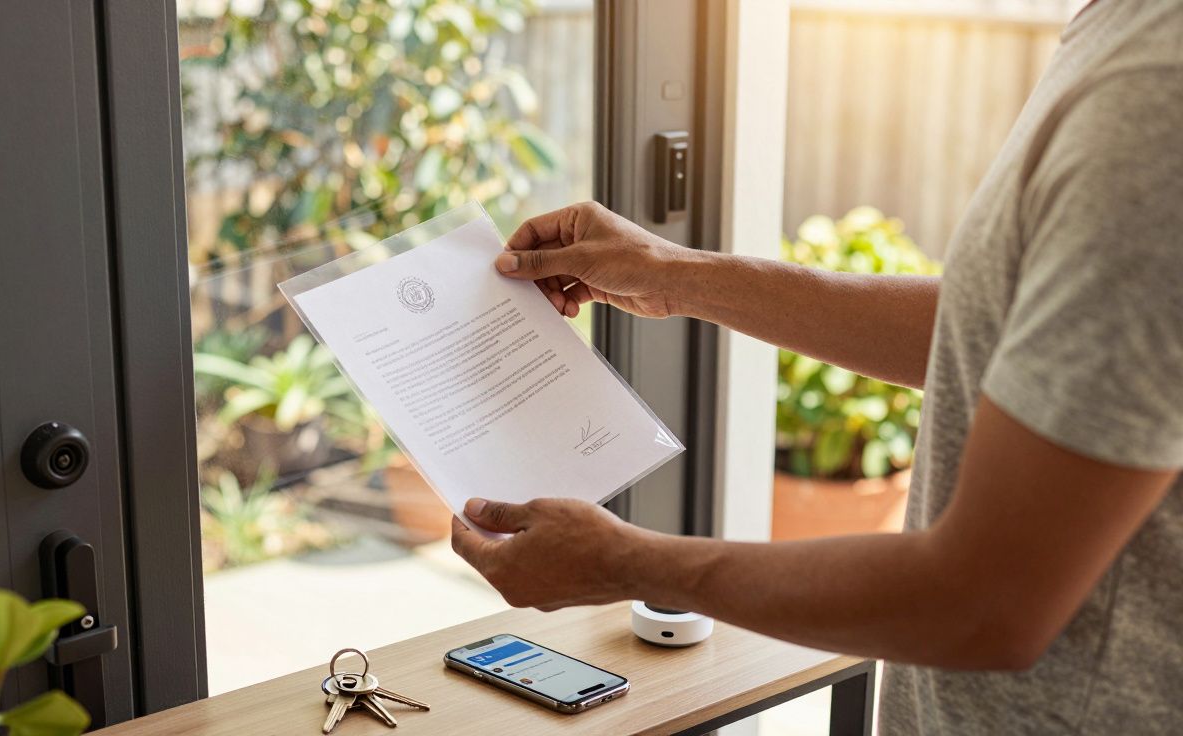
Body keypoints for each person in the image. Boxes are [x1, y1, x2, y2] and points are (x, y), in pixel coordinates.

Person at [449, 0, 1183, 732]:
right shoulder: (1123, 31)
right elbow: (999, 328)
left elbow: (989, 600)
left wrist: (632, 565)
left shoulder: (1155, 95)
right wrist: (671, 273)